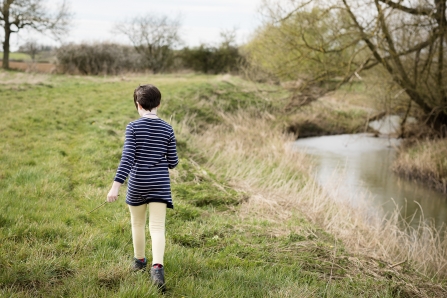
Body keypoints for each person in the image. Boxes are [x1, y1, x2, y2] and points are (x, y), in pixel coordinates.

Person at [106, 84, 179, 288]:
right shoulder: (167, 128)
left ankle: (139, 262)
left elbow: (128, 158)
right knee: (157, 227)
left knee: (137, 224)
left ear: (138, 105)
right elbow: (173, 161)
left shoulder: (133, 127)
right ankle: (157, 269)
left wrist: (116, 186)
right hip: (160, 184)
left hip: (138, 183)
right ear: (159, 104)